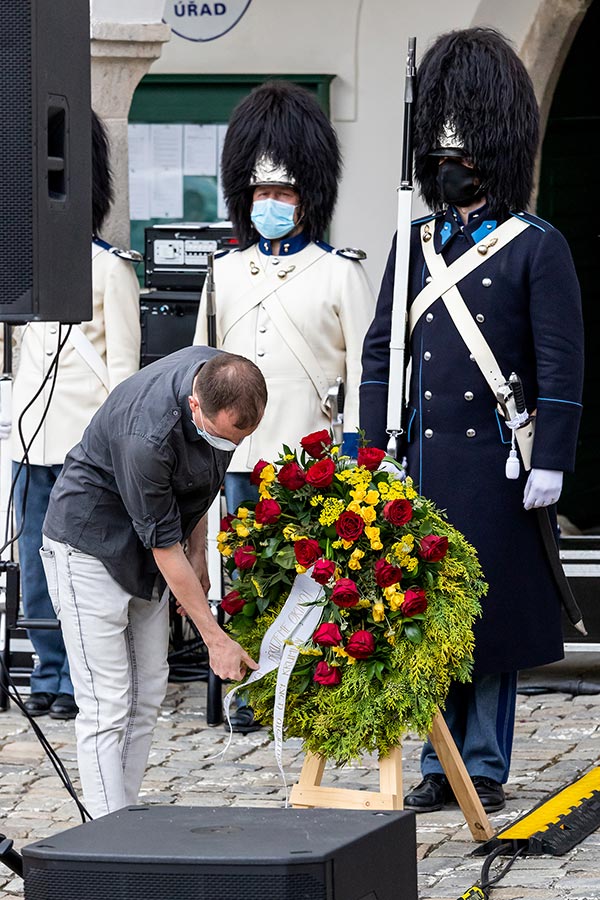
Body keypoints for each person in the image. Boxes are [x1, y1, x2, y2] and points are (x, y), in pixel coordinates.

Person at [360, 28, 584, 813]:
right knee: (420, 612)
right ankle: (437, 758)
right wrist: (371, 448)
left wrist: (550, 456)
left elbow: (561, 361)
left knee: (488, 621)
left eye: (466, 156)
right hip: (423, 462)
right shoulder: (413, 243)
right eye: (444, 157)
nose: (454, 170)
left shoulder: (534, 247)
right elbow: (383, 353)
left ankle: (482, 762)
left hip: (496, 462)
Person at [192, 81, 376, 732]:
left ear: (308, 197)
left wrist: (355, 456)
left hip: (307, 460)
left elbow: (364, 375)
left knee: (307, 586)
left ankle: (302, 692)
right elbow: (199, 366)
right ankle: (245, 692)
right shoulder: (226, 270)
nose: (270, 203)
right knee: (240, 583)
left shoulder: (339, 273)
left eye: (283, 192)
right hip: (236, 460)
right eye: (260, 192)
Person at [40, 347, 265, 818]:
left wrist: (200, 551)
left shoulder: (222, 377)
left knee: (148, 693)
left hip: (153, 544)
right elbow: (164, 546)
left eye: (236, 440)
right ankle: (108, 834)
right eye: (220, 437)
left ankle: (124, 813)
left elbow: (202, 481)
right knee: (108, 700)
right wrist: (214, 637)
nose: (228, 449)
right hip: (90, 544)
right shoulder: (147, 435)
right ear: (194, 406)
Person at [0, 111, 141, 720]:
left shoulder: (111, 267)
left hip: (87, 448)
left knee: (83, 570)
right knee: (34, 565)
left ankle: (82, 676)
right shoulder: (23, 266)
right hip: (33, 441)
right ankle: (49, 673)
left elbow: (124, 374)